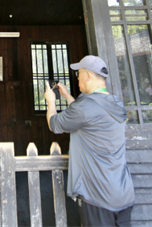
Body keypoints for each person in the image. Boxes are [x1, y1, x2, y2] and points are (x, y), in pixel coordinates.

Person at [44, 55, 135, 227]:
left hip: (98, 195)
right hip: (123, 192)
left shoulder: (85, 107)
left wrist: (51, 102)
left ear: (87, 75)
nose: (78, 78)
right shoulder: (115, 103)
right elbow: (86, 117)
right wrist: (68, 96)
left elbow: (54, 124)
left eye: (78, 74)